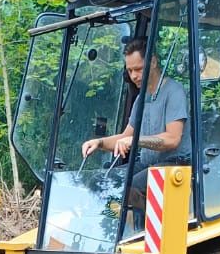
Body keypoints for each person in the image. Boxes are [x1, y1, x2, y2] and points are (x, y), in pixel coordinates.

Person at [80, 40, 191, 169]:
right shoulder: (141, 99)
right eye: (130, 71)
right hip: (147, 165)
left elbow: (173, 139)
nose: (133, 76)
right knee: (108, 180)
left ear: (153, 62)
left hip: (176, 167)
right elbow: (126, 137)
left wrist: (135, 140)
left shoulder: (174, 92)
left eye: (138, 69)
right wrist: (99, 143)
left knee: (130, 187)